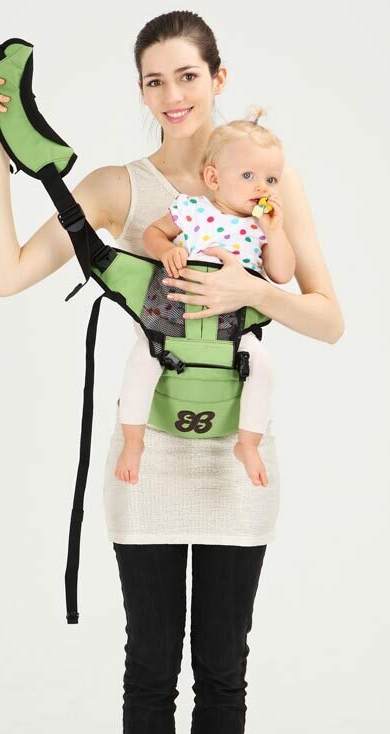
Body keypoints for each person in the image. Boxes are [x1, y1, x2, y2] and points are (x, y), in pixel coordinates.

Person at [0, 9, 344, 734]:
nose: (171, 96)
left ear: (218, 76)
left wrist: (247, 290)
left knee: (222, 670)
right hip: (146, 462)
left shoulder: (265, 177)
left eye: (186, 75)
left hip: (237, 461)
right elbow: (5, 275)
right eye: (153, 80)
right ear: (141, 90)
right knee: (150, 669)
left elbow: (327, 318)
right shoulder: (118, 187)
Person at [114, 107, 295, 488]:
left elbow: (281, 274)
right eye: (248, 176)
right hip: (175, 314)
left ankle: (248, 444)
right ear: (213, 178)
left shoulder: (260, 228)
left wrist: (276, 232)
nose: (262, 187)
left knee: (263, 367)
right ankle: (133, 441)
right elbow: (152, 235)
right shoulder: (192, 208)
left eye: (271, 179)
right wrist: (167, 250)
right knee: (143, 359)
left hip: (231, 325)